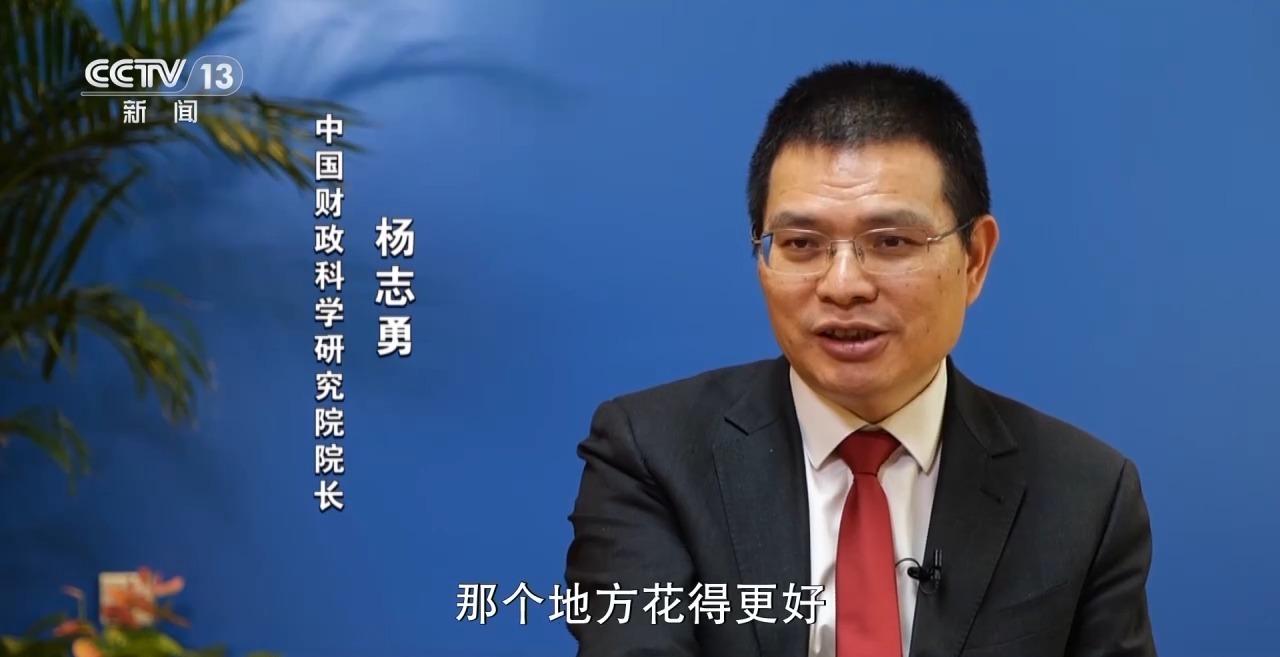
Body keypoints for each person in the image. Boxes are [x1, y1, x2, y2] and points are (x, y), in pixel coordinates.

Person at [564, 61, 1156, 657]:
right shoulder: (652, 456)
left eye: (891, 242)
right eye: (801, 244)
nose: (843, 285)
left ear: (974, 259)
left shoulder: (1085, 496)